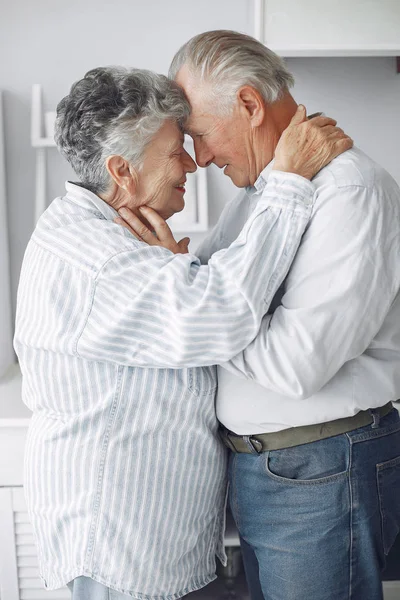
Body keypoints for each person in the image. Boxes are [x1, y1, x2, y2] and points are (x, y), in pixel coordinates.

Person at [13, 67, 348, 600]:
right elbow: (222, 316)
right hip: (124, 552)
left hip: (154, 543)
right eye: (176, 152)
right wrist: (289, 181)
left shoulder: (115, 241)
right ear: (122, 169)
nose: (193, 163)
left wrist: (170, 267)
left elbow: (172, 320)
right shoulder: (94, 261)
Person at [120, 30, 400, 600]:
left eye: (198, 134)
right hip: (276, 470)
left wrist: (198, 302)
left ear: (248, 104)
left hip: (322, 469)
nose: (199, 159)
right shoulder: (266, 190)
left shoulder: (350, 192)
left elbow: (296, 366)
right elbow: (215, 290)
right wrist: (197, 288)